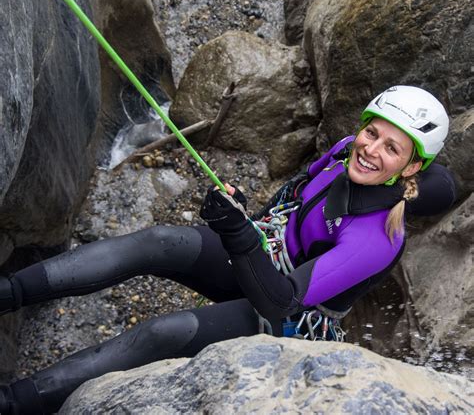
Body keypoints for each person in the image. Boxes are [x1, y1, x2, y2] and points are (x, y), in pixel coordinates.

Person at [0, 86, 456, 414]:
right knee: (160, 241)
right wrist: (241, 214)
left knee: (165, 333)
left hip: (291, 316)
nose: (370, 149)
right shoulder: (343, 152)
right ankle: (8, 293)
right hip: (267, 251)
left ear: (412, 165)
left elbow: (280, 300)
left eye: (391, 148)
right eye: (371, 133)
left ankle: (13, 402)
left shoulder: (376, 238)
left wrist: (238, 236)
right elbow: (290, 199)